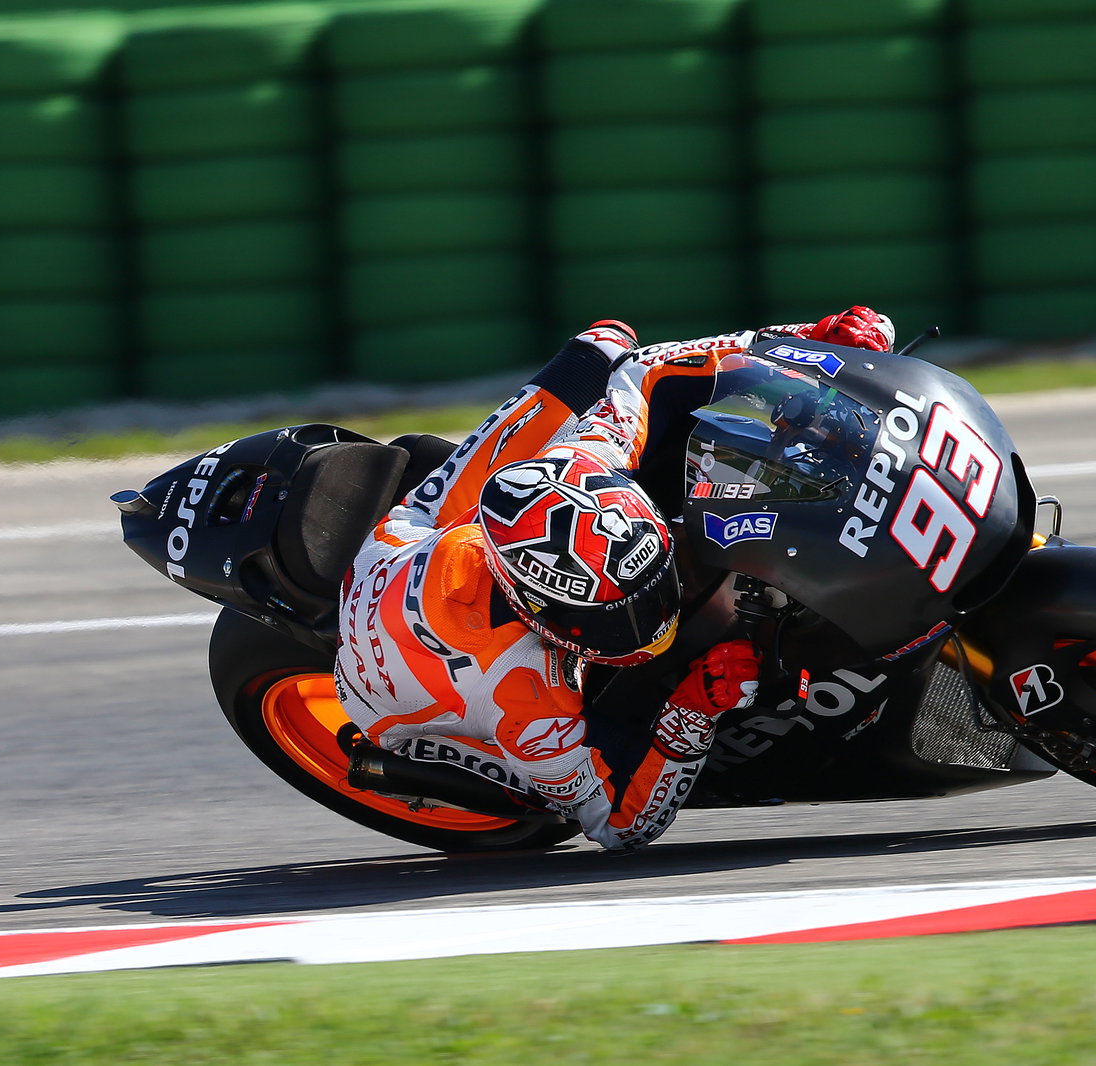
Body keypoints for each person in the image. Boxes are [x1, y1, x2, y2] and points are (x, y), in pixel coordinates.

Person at [333, 306, 896, 849]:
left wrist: (812, 344)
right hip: (404, 700)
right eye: (616, 617)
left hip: (412, 535)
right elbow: (617, 825)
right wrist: (690, 715)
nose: (654, 621)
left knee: (604, 348)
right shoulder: (524, 697)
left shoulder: (585, 460)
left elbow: (646, 372)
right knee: (554, 800)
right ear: (538, 612)